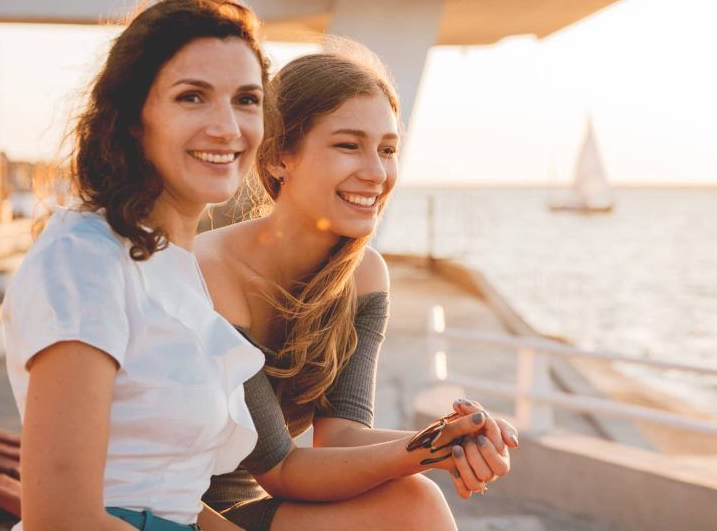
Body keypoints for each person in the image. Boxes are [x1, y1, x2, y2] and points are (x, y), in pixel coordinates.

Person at [197, 41, 518, 531]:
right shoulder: (212, 268)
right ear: (280, 155)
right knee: (414, 502)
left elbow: (341, 437)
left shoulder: (362, 273)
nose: (376, 172)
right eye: (349, 145)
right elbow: (281, 469)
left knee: (412, 498)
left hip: (253, 509)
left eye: (388, 150)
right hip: (169, 511)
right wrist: (423, 453)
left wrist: (446, 439)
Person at [2, 0, 271, 531]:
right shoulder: (83, 260)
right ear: (131, 118)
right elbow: (62, 519)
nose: (227, 126)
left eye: (246, 99)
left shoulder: (166, 263)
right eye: (192, 96)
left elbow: (167, 492)